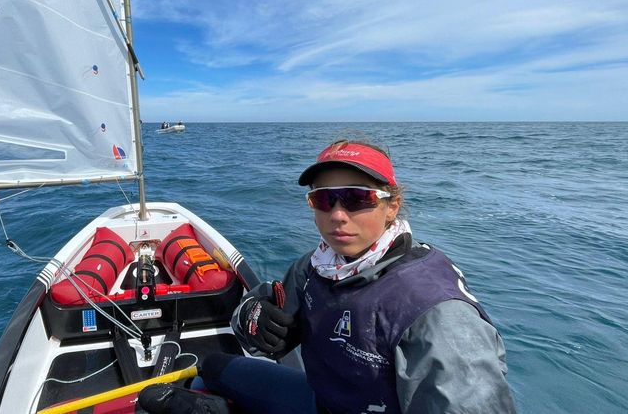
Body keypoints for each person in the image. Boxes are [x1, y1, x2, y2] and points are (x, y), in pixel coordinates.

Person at [139, 139, 516, 414]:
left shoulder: (434, 312)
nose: (337, 215)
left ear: (391, 207)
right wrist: (254, 318)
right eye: (324, 199)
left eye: (357, 198)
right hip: (324, 400)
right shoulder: (316, 267)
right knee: (210, 366)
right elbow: (256, 327)